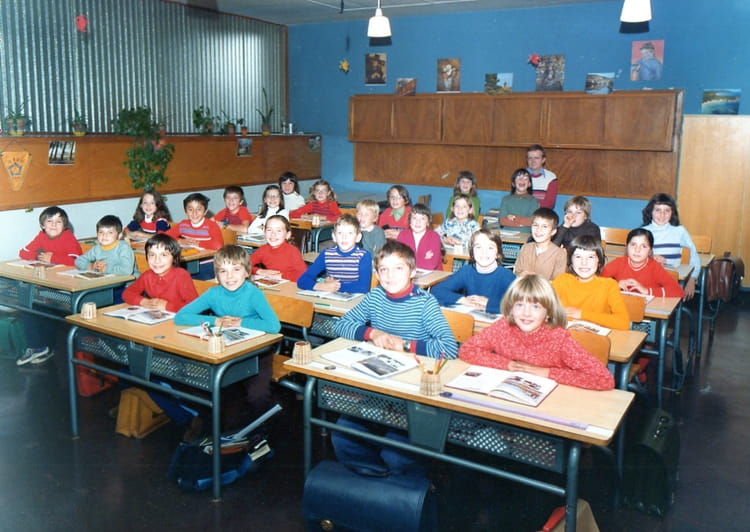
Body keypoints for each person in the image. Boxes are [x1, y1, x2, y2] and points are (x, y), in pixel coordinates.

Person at [331, 241, 458, 473]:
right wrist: (372, 333)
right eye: (384, 269)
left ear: (413, 271)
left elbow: (449, 348)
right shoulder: (376, 296)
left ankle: (404, 485)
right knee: (342, 435)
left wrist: (406, 344)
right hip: (379, 385)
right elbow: (341, 324)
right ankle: (374, 479)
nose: (390, 276)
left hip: (411, 391)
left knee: (396, 454)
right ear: (377, 273)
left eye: (398, 268)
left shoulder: (424, 302)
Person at [458, 274, 614, 390]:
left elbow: (604, 379)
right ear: (511, 308)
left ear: (548, 313)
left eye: (535, 307)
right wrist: (506, 364)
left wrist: (548, 373)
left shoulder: (559, 339)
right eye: (520, 305)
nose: (526, 313)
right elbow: (468, 349)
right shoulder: (503, 326)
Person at [16, 206, 83, 366]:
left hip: (66, 287)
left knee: (42, 308)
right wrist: (38, 256)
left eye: (58, 222)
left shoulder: (68, 237)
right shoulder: (41, 236)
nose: (53, 225)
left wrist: (53, 258)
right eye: (49, 221)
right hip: (48, 285)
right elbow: (23, 252)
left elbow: (77, 260)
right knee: (27, 304)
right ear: (43, 225)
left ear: (65, 225)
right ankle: (37, 346)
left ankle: (41, 346)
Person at [175, 244, 281, 333]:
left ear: (247, 272)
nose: (229, 276)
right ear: (217, 276)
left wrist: (241, 322)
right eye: (223, 271)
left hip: (254, 344)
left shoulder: (254, 294)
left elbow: (274, 326)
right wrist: (216, 321)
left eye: (236, 269)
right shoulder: (213, 294)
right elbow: (180, 317)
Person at [552, 235, 630, 330]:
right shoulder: (562, 280)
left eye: (591, 257)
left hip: (596, 336)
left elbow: (623, 322)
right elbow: (544, 311)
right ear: (571, 260)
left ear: (599, 260)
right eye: (578, 257)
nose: (584, 263)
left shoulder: (609, 285)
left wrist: (582, 314)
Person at [432, 229, 515, 314]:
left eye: (490, 248)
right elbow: (437, 291)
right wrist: (463, 300)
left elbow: (517, 305)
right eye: (478, 247)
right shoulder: (466, 271)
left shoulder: (507, 276)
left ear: (498, 254)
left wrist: (488, 303)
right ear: (472, 252)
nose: (484, 252)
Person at [642, 192, 700, 299]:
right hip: (649, 279)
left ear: (672, 213)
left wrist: (692, 279)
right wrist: (650, 258)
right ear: (650, 211)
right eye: (658, 210)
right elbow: (635, 257)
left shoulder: (679, 231)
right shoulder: (643, 231)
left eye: (667, 211)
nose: (662, 215)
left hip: (672, 280)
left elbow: (694, 255)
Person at [297, 214, 372, 294]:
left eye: (350, 233)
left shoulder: (363, 256)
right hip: (331, 297)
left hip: (355, 299)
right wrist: (322, 286)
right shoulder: (326, 254)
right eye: (340, 233)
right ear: (334, 237)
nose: (344, 237)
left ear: (358, 237)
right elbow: (302, 280)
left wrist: (335, 286)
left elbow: (363, 287)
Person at [122, 233, 199, 311]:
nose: (157, 260)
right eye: (152, 255)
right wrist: (144, 302)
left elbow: (195, 307)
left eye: (164, 255)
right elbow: (127, 293)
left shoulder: (181, 276)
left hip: (180, 316)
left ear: (175, 258)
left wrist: (167, 306)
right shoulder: (147, 276)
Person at [601, 228, 684, 298]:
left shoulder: (655, 268)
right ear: (626, 247)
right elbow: (596, 282)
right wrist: (614, 285)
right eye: (633, 245)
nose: (637, 250)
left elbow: (678, 291)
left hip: (648, 310)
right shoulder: (618, 263)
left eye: (644, 246)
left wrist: (646, 291)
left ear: (650, 250)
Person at [514, 208, 567, 280]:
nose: (538, 230)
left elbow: (558, 281)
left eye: (545, 226)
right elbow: (517, 272)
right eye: (535, 225)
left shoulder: (560, 254)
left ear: (553, 232)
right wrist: (522, 274)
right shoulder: (525, 248)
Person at [250, 215, 307, 282]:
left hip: (291, 284)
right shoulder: (263, 250)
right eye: (269, 230)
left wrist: (281, 276)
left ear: (287, 235)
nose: (273, 234)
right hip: (274, 283)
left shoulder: (292, 251)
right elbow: (243, 264)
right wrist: (259, 271)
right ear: (264, 232)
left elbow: (304, 275)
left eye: (279, 231)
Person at [396, 203, 443, 271]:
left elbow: (430, 265)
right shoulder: (403, 235)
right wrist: (424, 259)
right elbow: (398, 261)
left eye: (422, 218)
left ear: (428, 222)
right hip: (408, 274)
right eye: (414, 218)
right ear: (409, 221)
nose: (418, 222)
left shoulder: (434, 237)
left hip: (432, 276)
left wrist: (408, 261)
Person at [498, 168, 540, 233]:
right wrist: (520, 224)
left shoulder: (533, 200)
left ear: (529, 184)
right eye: (518, 178)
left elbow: (531, 221)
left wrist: (514, 218)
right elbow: (502, 221)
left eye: (525, 178)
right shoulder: (506, 199)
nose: (522, 180)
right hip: (507, 234)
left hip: (525, 235)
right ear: (513, 183)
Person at [526, 144, 558, 209]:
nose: (533, 161)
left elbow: (549, 204)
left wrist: (527, 202)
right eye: (530, 158)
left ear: (543, 160)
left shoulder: (551, 177)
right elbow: (516, 201)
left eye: (536, 158)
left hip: (542, 213)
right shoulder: (520, 176)